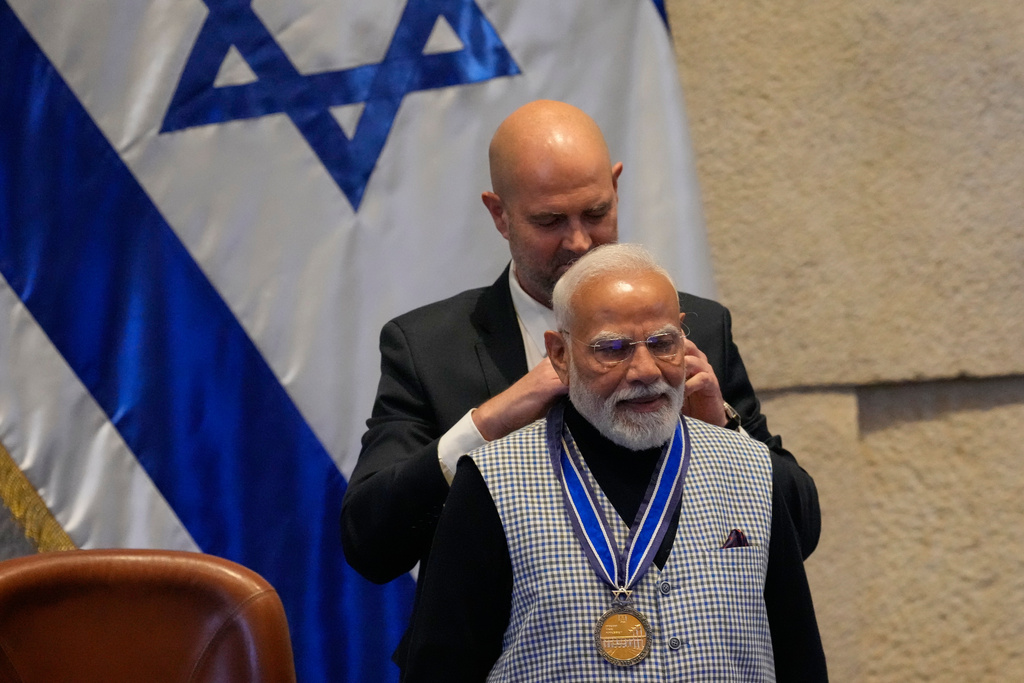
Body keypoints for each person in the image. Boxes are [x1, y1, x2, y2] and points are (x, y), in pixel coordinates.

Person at [339, 100, 819, 663]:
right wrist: (491, 420)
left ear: (617, 188)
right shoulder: (428, 348)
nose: (579, 243)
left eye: (596, 212)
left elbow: (800, 531)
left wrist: (722, 425)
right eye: (549, 222)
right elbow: (370, 544)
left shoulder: (692, 328)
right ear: (500, 215)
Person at [402, 244, 827, 681]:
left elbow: (800, 658)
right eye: (613, 349)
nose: (645, 370)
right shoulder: (491, 484)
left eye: (663, 343)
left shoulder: (753, 469)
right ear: (560, 355)